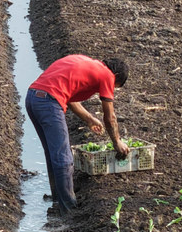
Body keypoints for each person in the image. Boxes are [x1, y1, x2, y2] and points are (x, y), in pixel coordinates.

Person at [25, 55, 129, 215]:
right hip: (48, 103)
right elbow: (110, 117)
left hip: (32, 98)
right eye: (115, 87)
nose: (111, 89)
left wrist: (89, 119)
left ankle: (57, 198)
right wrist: (117, 142)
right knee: (64, 159)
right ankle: (68, 210)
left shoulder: (85, 63)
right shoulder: (107, 75)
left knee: (53, 154)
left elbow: (68, 97)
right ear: (116, 77)